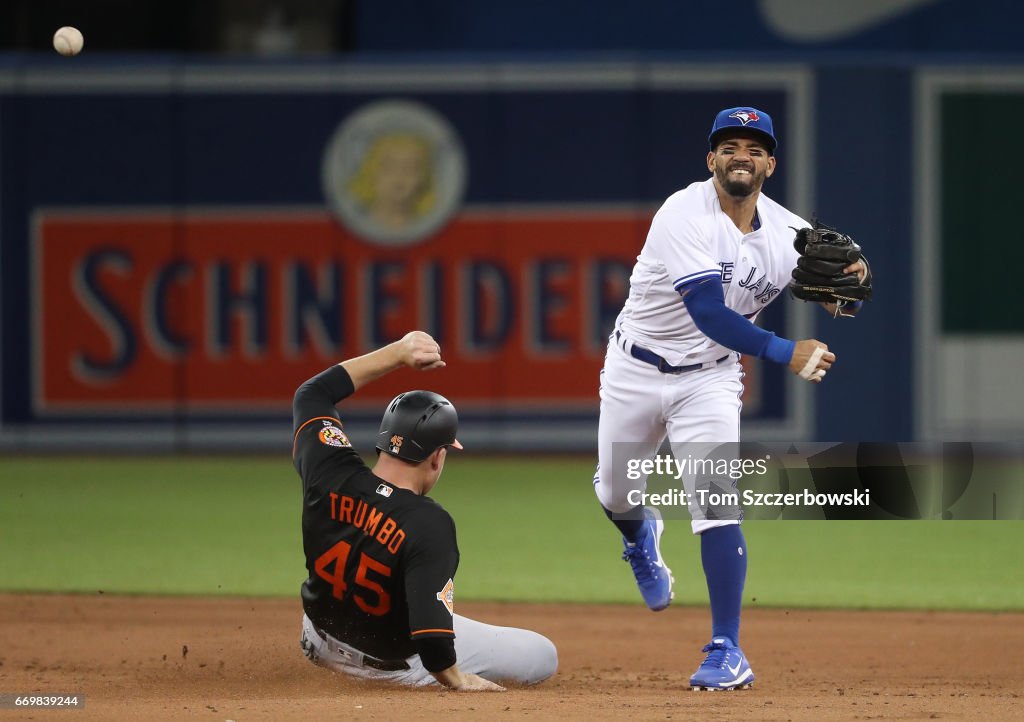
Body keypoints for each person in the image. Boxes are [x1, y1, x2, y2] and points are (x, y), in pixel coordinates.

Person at [592, 107, 867, 691]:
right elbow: (710, 313)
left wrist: (848, 288)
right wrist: (784, 350)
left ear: (770, 163)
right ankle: (640, 536)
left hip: (709, 380)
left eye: (753, 146)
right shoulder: (682, 212)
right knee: (617, 492)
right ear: (711, 159)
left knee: (715, 496)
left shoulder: (789, 233)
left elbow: (845, 291)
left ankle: (727, 649)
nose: (740, 155)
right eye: (729, 145)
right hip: (634, 367)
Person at [293, 330, 558, 690]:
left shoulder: (329, 469)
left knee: (417, 602)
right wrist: (457, 680)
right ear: (437, 456)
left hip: (317, 641)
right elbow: (433, 642)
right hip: (391, 667)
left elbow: (312, 393)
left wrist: (400, 353)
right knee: (542, 654)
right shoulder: (428, 522)